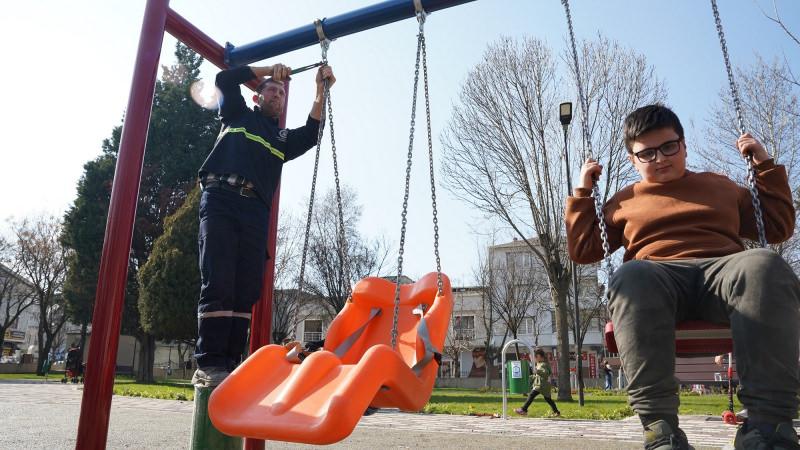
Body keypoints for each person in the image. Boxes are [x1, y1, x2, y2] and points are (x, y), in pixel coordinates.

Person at [565, 104, 799, 450]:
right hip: (656, 278)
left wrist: (763, 164)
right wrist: (583, 191)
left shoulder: (719, 186)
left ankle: (768, 426)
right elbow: (584, 249)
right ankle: (661, 430)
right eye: (647, 153)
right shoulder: (623, 200)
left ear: (684, 145)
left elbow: (777, 226)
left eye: (669, 147)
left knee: (764, 264)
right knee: (631, 276)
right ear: (633, 159)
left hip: (724, 272)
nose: (660, 159)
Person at [192, 63, 336, 388]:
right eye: (272, 89)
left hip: (255, 210)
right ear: (257, 96)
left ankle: (229, 363)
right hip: (221, 198)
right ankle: (209, 363)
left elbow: (313, 132)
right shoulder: (238, 114)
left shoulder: (281, 138)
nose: (278, 94)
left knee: (246, 288)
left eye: (282, 92)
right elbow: (225, 78)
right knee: (219, 280)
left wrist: (320, 89)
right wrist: (270, 69)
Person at [515, 349, 561, 417]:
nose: (534, 359)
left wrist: (537, 371)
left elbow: (545, 373)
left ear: (539, 356)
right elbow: (536, 375)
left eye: (535, 357)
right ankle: (556, 412)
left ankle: (523, 409)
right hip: (542, 385)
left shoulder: (543, 364)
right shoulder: (539, 364)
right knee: (548, 399)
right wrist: (530, 377)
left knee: (531, 395)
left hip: (541, 385)